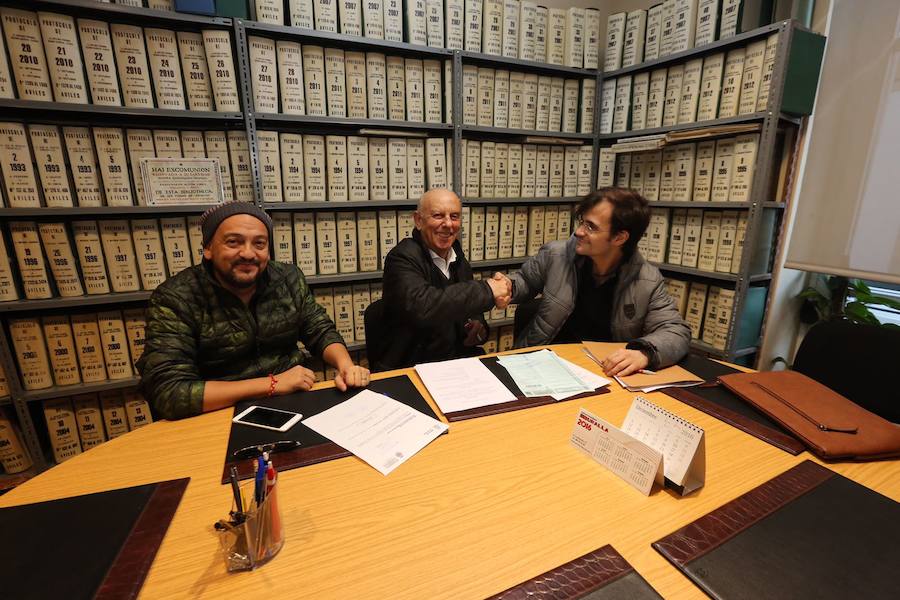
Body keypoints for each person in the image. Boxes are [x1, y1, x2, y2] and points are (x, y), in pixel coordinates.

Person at [137, 202, 369, 420]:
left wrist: (346, 365)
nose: (248, 253)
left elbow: (319, 329)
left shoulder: (287, 278)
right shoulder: (176, 297)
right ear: (208, 248)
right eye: (233, 242)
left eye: (259, 244)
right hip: (217, 412)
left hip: (291, 403)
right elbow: (168, 391)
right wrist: (272, 384)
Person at [505, 187, 690, 376]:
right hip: (543, 364)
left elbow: (676, 331)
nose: (578, 232)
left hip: (602, 372)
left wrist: (644, 354)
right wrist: (506, 286)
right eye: (582, 222)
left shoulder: (646, 280)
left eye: (591, 227)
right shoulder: (556, 255)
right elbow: (524, 282)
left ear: (619, 237)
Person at [376, 189, 512, 370]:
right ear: (418, 220)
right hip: (411, 368)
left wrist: (478, 329)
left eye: (454, 216)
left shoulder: (458, 258)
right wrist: (488, 290)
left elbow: (470, 310)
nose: (448, 224)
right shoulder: (401, 258)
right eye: (438, 215)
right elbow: (424, 306)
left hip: (454, 367)